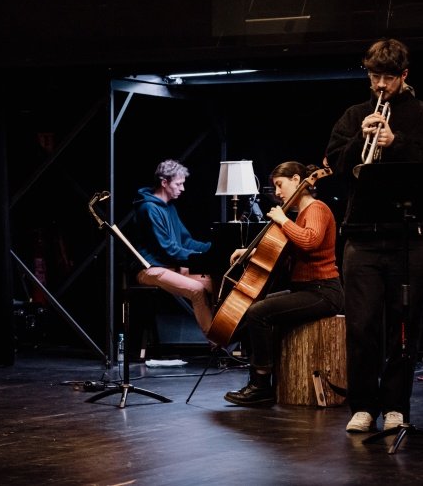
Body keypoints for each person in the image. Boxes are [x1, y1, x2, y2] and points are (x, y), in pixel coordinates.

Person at [324, 38, 423, 432]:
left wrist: (396, 143)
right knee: (360, 326)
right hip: (362, 237)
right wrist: (362, 138)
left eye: (388, 78)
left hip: (411, 238)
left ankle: (396, 407)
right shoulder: (354, 114)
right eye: (374, 76)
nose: (379, 85)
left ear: (404, 75)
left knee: (404, 328)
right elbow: (336, 169)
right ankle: (362, 406)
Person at [223, 161, 344, 406]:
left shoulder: (316, 209)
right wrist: (250, 250)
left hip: (324, 291)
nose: (277, 193)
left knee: (259, 313)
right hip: (307, 289)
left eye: (280, 185)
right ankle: (260, 380)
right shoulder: (300, 215)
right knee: (254, 308)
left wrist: (282, 220)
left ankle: (261, 385)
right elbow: (283, 250)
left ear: (297, 180)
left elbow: (309, 241)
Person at [132, 159, 216, 335]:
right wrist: (201, 258)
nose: (182, 189)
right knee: (197, 291)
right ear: (164, 183)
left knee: (217, 283)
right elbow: (168, 249)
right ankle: (218, 345)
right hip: (150, 269)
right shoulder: (148, 209)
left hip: (172, 267)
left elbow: (185, 241)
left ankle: (227, 336)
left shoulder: (169, 207)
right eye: (178, 184)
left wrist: (213, 249)